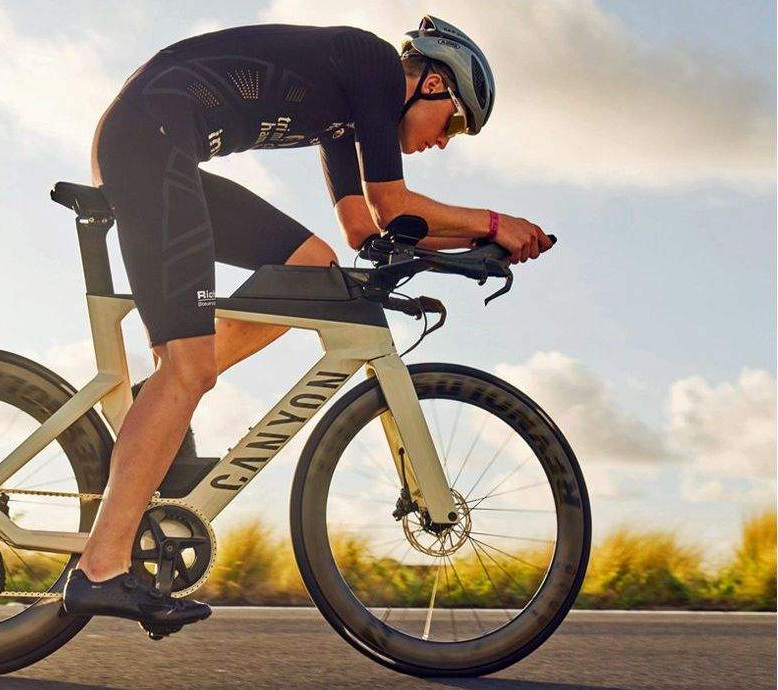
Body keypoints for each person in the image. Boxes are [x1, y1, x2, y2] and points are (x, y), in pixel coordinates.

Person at [61, 16, 551, 629]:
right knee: (188, 370)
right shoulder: (373, 64)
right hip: (148, 145)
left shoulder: (348, 114)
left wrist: (473, 248)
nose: (445, 142)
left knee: (311, 268)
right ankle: (100, 570)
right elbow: (392, 205)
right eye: (453, 122)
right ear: (431, 83)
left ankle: (157, 402)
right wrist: (495, 223)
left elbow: (362, 228)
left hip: (155, 148)